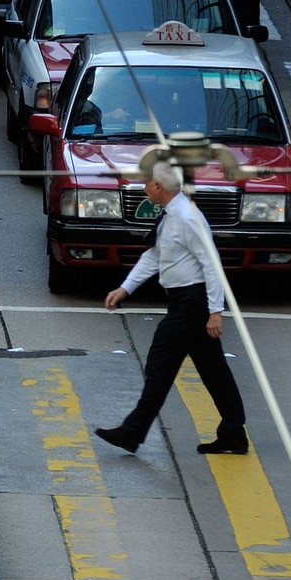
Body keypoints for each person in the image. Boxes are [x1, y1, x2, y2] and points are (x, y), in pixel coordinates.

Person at [95, 159, 249, 456]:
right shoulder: (170, 215)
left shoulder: (188, 218)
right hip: (185, 301)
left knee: (160, 363)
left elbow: (211, 263)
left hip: (193, 302)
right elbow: (154, 256)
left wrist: (216, 311)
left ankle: (132, 431)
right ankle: (233, 433)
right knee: (214, 370)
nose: (143, 188)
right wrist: (125, 288)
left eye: (146, 183)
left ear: (158, 186)